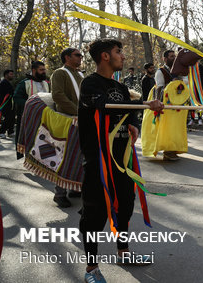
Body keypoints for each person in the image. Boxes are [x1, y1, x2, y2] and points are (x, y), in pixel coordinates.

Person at [78, 38, 163, 283]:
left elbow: (127, 113)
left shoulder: (121, 87)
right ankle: (91, 269)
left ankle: (123, 252)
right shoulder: (90, 84)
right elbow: (105, 106)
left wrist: (134, 124)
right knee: (94, 214)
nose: (123, 56)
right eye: (118, 52)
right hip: (98, 162)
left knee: (125, 205)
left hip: (122, 159)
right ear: (105, 56)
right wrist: (146, 104)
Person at [50, 47, 85, 208]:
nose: (81, 57)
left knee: (80, 157)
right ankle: (59, 194)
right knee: (65, 157)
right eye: (77, 55)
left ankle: (74, 187)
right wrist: (77, 110)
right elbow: (57, 95)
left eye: (81, 55)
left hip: (81, 119)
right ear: (67, 57)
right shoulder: (59, 73)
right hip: (67, 120)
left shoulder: (79, 74)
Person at [13, 61, 49, 156]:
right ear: (34, 70)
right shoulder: (24, 83)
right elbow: (17, 97)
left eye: (44, 70)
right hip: (29, 117)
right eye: (41, 70)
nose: (44, 72)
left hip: (45, 118)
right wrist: (31, 105)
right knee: (30, 140)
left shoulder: (45, 83)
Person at [152, 50, 179, 160]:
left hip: (176, 105)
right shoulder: (161, 71)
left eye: (175, 56)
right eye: (172, 56)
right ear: (165, 59)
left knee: (174, 128)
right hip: (165, 105)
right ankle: (167, 152)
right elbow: (159, 88)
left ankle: (172, 149)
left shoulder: (178, 71)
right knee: (167, 128)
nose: (174, 58)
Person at [0, 69, 15, 139]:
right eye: (11, 74)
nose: (12, 76)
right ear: (6, 75)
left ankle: (10, 131)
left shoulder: (7, 82)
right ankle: (2, 132)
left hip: (10, 103)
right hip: (5, 103)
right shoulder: (3, 83)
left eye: (12, 74)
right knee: (8, 118)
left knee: (11, 117)